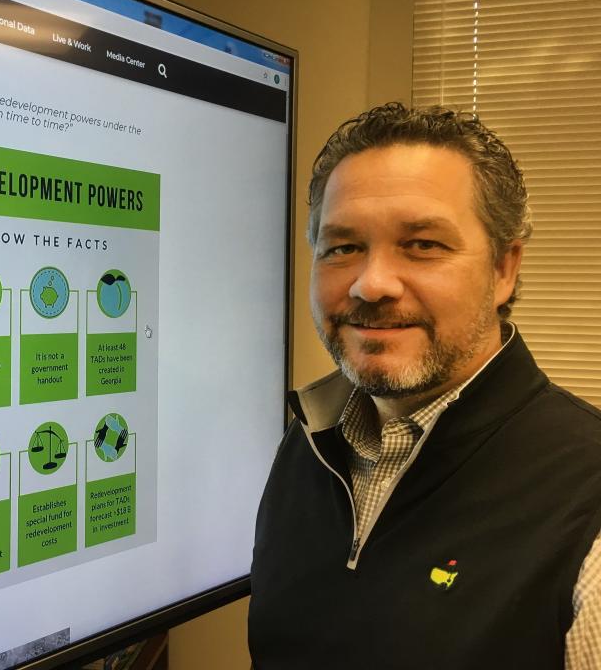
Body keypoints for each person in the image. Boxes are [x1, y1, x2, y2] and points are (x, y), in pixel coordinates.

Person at [248, 103, 601, 669]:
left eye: (423, 245)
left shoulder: (586, 501)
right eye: (342, 248)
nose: (372, 284)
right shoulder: (308, 444)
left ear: (504, 269)